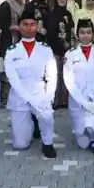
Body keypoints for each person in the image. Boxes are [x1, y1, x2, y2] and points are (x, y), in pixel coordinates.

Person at [4, 10, 58, 157]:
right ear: (19, 27)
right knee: (20, 145)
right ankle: (32, 123)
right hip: (19, 94)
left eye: (32, 24)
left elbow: (52, 75)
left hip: (39, 90)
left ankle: (47, 143)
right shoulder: (12, 51)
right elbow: (12, 78)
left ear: (37, 26)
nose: (29, 27)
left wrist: (49, 96)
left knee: (47, 115)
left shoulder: (45, 49)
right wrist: (29, 98)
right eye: (25, 24)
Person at [64, 19, 94, 153]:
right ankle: (86, 131)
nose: (85, 35)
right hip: (77, 102)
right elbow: (69, 81)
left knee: (90, 122)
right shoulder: (70, 54)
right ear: (77, 34)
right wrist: (83, 102)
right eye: (82, 32)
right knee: (82, 142)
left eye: (89, 32)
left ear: (93, 34)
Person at [50, 0, 76, 108]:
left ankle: (65, 100)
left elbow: (71, 30)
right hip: (56, 49)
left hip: (68, 50)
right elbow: (51, 33)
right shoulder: (52, 14)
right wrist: (61, 43)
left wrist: (70, 43)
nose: (62, 0)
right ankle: (56, 100)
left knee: (67, 75)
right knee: (56, 76)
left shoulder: (68, 14)